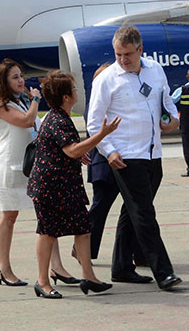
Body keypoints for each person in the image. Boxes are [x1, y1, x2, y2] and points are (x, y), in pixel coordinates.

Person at [87, 25, 183, 290]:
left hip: (153, 152)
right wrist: (109, 151)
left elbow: (166, 102)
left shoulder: (155, 70)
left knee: (132, 213)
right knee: (144, 214)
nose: (122, 59)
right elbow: (93, 124)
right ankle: (163, 271)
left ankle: (121, 267)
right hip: (126, 155)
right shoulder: (106, 79)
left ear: (140, 50)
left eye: (127, 54)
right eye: (118, 54)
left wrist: (173, 119)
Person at [28, 70, 120, 299]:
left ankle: (88, 277)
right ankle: (42, 282)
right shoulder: (58, 119)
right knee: (48, 233)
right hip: (50, 187)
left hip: (66, 186)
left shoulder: (60, 116)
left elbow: (67, 150)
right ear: (66, 96)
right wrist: (101, 135)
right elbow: (71, 149)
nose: (77, 91)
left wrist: (80, 154)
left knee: (83, 229)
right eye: (74, 88)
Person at [82, 64, 145, 265]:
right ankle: (82, 248)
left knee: (134, 208)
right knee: (101, 207)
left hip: (121, 160)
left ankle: (139, 253)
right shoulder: (98, 103)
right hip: (104, 162)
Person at [0, 59, 41, 286]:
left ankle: (56, 268)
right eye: (14, 77)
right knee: (9, 216)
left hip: (30, 166)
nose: (21, 80)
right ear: (4, 82)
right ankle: (4, 268)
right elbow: (27, 121)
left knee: (44, 214)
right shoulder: (1, 105)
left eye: (21, 75)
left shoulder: (22, 101)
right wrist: (37, 99)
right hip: (10, 168)